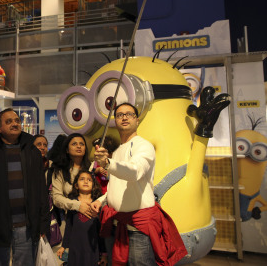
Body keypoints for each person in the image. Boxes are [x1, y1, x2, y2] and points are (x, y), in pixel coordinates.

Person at [92, 102, 187, 265]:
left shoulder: (144, 146)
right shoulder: (117, 151)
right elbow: (117, 185)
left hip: (138, 228)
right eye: (120, 115)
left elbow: (135, 172)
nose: (124, 117)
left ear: (137, 120)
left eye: (129, 114)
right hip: (117, 222)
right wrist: (100, 200)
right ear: (115, 121)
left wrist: (107, 163)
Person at [0, 108, 50, 266]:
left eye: (17, 121)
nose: (15, 124)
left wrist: (43, 223)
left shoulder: (32, 152)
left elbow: (41, 190)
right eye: (9, 121)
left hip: (26, 227)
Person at [56, 171, 107, 266]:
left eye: (89, 180)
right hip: (75, 248)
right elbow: (69, 227)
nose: (86, 182)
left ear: (94, 185)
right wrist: (64, 246)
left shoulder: (97, 204)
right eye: (82, 179)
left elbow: (101, 231)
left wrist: (104, 254)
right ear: (76, 185)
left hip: (92, 249)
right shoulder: (73, 203)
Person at [52, 133, 95, 219]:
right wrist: (77, 205)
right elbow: (56, 198)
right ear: (67, 150)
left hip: (92, 216)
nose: (79, 146)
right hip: (69, 217)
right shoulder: (60, 170)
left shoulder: (92, 168)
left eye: (82, 144)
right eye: (74, 144)